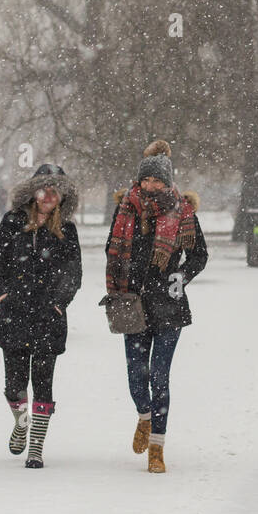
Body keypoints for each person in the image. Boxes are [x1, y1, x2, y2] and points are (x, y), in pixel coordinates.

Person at [105, 140, 207, 473]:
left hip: (168, 305)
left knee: (160, 376)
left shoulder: (182, 210)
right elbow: (111, 248)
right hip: (132, 304)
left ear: (167, 182)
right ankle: (144, 417)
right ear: (139, 180)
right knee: (137, 375)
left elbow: (199, 255)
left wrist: (181, 276)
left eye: (158, 181)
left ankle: (157, 447)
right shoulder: (125, 208)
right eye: (147, 180)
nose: (151, 186)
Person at [0, 164, 82, 468]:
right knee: (14, 385)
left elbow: (73, 274)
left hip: (49, 316)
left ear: (62, 196)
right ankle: (21, 423)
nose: (49, 196)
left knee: (44, 383)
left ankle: (36, 446)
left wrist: (59, 301)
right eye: (43, 189)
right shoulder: (12, 223)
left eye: (55, 190)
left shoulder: (67, 230)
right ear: (32, 192)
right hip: (15, 314)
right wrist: (2, 293)